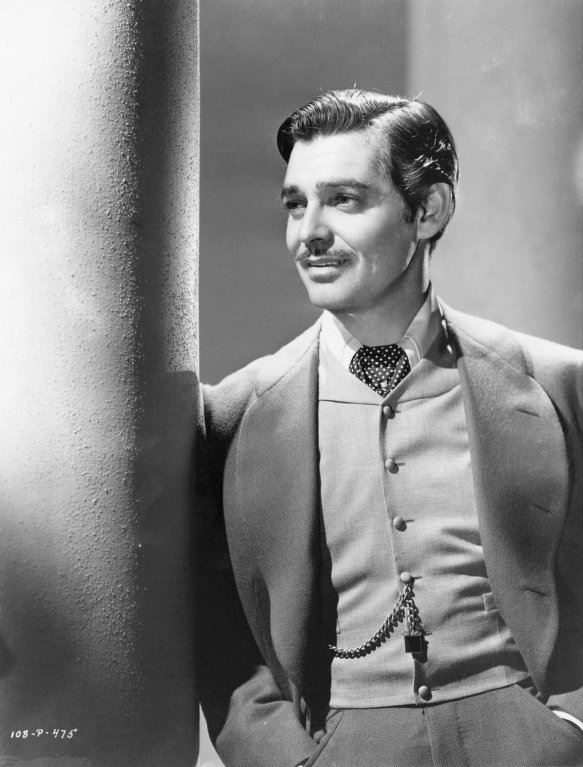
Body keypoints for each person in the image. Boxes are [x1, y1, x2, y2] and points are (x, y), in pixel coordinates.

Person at [196, 89, 583, 767]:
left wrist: (564, 733)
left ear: (428, 210)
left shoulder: (559, 385)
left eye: (344, 200)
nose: (309, 233)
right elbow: (221, 633)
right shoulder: (236, 414)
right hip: (344, 745)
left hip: (525, 740)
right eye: (296, 204)